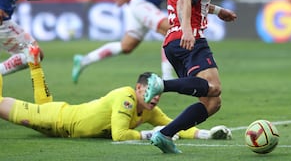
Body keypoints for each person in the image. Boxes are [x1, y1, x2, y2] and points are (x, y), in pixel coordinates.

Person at [143, 0, 237, 153]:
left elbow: (188, 0)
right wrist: (187, 30)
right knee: (214, 88)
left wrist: (217, 10)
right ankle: (161, 84)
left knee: (212, 102)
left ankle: (164, 135)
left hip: (173, 43)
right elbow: (185, 0)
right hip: (190, 39)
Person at [0, 71, 232, 141]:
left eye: (158, 92)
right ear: (138, 88)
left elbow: (174, 125)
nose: (155, 96)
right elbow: (119, 135)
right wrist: (154, 133)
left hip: (62, 131)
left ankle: (34, 65)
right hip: (60, 119)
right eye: (149, 91)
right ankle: (32, 67)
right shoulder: (126, 97)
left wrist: (206, 134)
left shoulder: (150, 110)